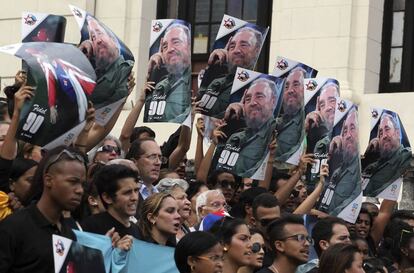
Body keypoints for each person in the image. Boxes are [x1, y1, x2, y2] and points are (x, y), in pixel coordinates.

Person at [0, 146, 86, 272]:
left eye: (82, 184)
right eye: (73, 181)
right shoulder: (13, 227)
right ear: (48, 180)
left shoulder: (69, 235)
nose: (80, 190)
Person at [197, 26, 264, 118]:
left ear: (257, 50)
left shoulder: (258, 90)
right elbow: (199, 106)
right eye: (232, 46)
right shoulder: (217, 80)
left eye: (243, 45)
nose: (236, 50)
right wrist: (211, 68)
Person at [217, 78, 278, 177]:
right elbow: (218, 171)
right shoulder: (235, 137)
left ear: (273, 101)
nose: (252, 103)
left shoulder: (277, 133)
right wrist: (226, 121)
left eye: (259, 97)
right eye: (248, 99)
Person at [83, 15, 133, 108]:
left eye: (100, 33)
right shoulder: (93, 74)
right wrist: (81, 52)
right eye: (93, 38)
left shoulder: (124, 68)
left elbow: (111, 108)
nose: (98, 40)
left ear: (113, 40)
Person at [146, 23, 192, 123]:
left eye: (176, 42)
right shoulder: (160, 84)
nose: (169, 49)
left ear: (189, 46)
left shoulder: (196, 81)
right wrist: (148, 75)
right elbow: (147, 120)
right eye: (165, 46)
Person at [319, 108, 361, 216]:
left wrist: (326, 217)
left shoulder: (360, 170)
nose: (348, 135)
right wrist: (329, 157)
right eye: (345, 131)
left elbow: (352, 203)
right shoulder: (338, 170)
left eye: (352, 129)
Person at [81, 164, 140, 238]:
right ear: (107, 198)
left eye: (136, 190)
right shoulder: (89, 227)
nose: (135, 197)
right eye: (127, 193)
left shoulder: (138, 232)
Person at [362, 113, 411, 197]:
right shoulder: (377, 162)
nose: (384, 136)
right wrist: (368, 156)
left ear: (397, 133)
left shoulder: (405, 157)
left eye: (387, 129)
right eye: (381, 133)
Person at [275, 67, 306, 164]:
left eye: (296, 85)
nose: (290, 90)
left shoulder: (307, 122)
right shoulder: (276, 121)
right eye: (286, 87)